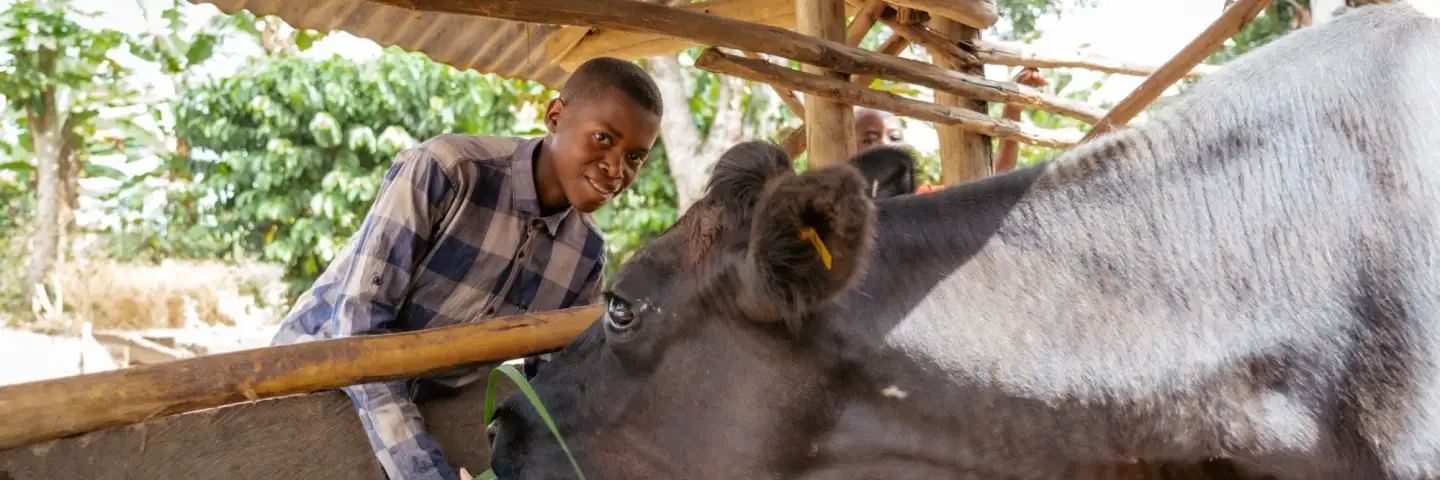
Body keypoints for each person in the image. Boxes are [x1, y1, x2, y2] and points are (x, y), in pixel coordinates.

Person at [269, 56, 664, 480]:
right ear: (555, 116)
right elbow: (358, 332)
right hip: (313, 383)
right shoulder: (445, 171)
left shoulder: (587, 252)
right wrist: (425, 472)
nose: (616, 169)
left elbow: (557, 385)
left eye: (636, 158)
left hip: (432, 404)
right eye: (603, 138)